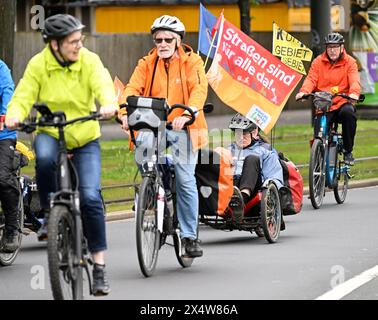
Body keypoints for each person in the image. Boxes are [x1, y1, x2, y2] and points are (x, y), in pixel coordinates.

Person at [5, 14, 117, 296]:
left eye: (80, 40)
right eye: (72, 41)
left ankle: (100, 267)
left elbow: (103, 84)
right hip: (51, 132)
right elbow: (22, 95)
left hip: (85, 136)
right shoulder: (39, 64)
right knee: (43, 159)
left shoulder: (88, 60)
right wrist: (15, 116)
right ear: (54, 44)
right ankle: (50, 211)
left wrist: (108, 105)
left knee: (91, 197)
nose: (79, 45)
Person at [119, 15, 208, 258]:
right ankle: (157, 196)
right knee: (144, 156)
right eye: (158, 39)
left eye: (169, 39)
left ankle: (190, 237)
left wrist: (189, 112)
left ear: (179, 41)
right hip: (153, 124)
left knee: (186, 179)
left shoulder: (193, 62)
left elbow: (199, 88)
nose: (163, 43)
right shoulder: (147, 63)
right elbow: (131, 89)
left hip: (184, 127)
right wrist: (124, 112)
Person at [296, 32, 361, 165]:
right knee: (319, 134)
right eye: (329, 47)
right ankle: (318, 163)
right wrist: (304, 92)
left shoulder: (350, 62)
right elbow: (311, 79)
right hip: (324, 105)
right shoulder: (318, 62)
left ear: (342, 47)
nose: (332, 50)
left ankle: (348, 151)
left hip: (342, 103)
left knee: (349, 113)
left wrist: (354, 94)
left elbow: (354, 80)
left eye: (335, 47)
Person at [228, 113, 284, 224]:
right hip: (228, 185)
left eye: (244, 133)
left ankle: (241, 198)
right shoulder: (228, 149)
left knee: (252, 159)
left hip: (253, 190)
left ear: (254, 133)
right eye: (237, 133)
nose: (240, 137)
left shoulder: (265, 151)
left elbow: (275, 179)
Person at [0, 59, 20, 253]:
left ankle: (11, 229)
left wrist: (7, 115)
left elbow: (8, 93)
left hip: (3, 134)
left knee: (2, 178)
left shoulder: (1, 69)